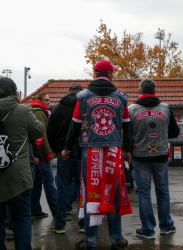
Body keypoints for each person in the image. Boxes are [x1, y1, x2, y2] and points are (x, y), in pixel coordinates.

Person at [61, 60, 132, 249]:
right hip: (114, 151)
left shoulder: (82, 97)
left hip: (90, 150)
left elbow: (75, 125)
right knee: (113, 193)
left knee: (91, 193)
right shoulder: (121, 97)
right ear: (109, 74)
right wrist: (127, 150)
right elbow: (127, 126)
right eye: (113, 72)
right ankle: (116, 239)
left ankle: (90, 241)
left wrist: (67, 149)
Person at [128, 78, 180, 239]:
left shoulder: (131, 109)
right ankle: (165, 226)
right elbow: (174, 132)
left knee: (144, 192)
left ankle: (148, 230)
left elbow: (127, 134)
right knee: (163, 191)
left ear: (139, 91)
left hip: (140, 156)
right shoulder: (165, 108)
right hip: (161, 155)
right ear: (155, 91)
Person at [0, 77, 44, 250]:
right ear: (15, 92)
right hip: (19, 174)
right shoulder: (22, 110)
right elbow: (39, 130)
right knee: (22, 218)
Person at [47, 84, 85, 234]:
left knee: (62, 188)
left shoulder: (58, 107)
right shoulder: (85, 106)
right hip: (83, 153)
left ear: (68, 92)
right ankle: (83, 223)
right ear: (81, 93)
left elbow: (49, 131)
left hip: (64, 153)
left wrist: (57, 149)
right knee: (84, 188)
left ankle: (60, 225)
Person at [30, 93, 57, 219]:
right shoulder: (39, 112)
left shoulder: (36, 110)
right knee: (49, 181)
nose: (49, 102)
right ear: (40, 100)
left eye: (49, 99)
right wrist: (48, 152)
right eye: (46, 100)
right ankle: (57, 212)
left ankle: (35, 209)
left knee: (37, 181)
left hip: (38, 151)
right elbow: (42, 133)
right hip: (41, 153)